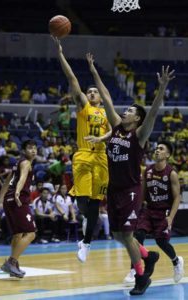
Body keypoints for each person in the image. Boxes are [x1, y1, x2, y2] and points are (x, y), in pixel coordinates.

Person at [87, 55, 175, 296]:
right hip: (114, 189)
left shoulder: (139, 135)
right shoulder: (115, 125)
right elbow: (106, 97)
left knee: (127, 235)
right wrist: (94, 71)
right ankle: (149, 256)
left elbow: (154, 112)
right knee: (117, 235)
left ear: (137, 118)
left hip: (130, 190)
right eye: (125, 109)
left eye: (130, 111)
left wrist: (162, 88)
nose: (124, 112)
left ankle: (140, 277)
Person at [53, 38, 112, 263]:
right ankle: (86, 222)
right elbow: (72, 79)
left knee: (95, 201)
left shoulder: (107, 112)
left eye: (95, 91)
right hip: (84, 154)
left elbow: (112, 133)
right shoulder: (83, 107)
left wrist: (102, 137)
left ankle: (86, 243)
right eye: (90, 91)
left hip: (101, 156)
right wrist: (61, 55)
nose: (93, 93)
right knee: (83, 199)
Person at [123, 141, 184, 285]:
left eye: (161, 149)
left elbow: (177, 198)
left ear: (167, 155)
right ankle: (134, 270)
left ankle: (176, 261)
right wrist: (134, 210)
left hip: (164, 212)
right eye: (156, 148)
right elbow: (142, 193)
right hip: (149, 210)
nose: (157, 150)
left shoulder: (172, 173)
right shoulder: (148, 170)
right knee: (137, 236)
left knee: (161, 241)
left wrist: (171, 218)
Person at [0, 140, 37, 278]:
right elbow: (22, 179)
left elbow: (7, 181)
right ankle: (11, 262)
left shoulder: (16, 164)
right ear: (24, 151)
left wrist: (1, 200)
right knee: (31, 233)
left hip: (9, 200)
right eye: (30, 148)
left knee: (18, 234)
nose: (33, 150)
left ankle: (13, 265)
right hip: (17, 200)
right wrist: (18, 192)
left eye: (35, 148)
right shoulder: (26, 163)